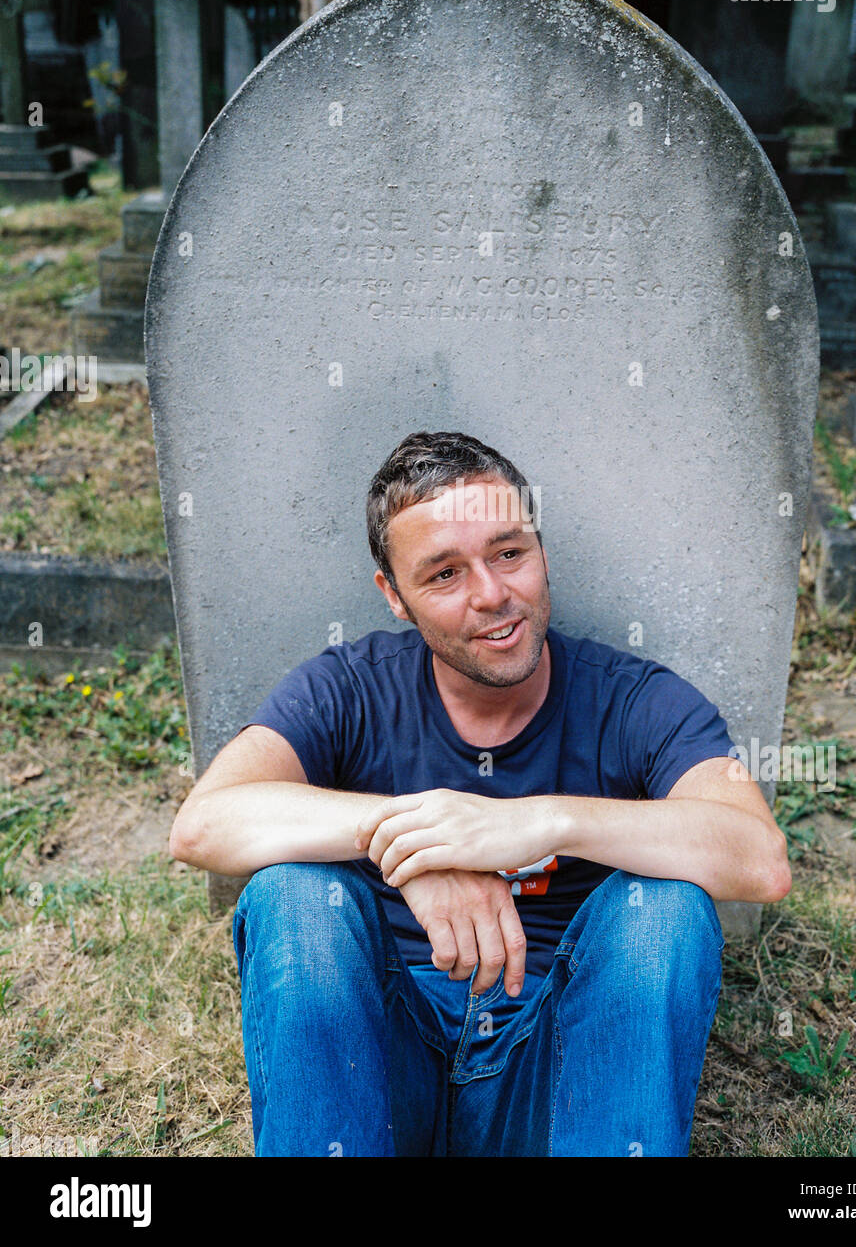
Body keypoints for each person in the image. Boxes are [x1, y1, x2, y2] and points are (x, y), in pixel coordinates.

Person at [169, 430, 790, 1157]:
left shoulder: (636, 701)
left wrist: (541, 822)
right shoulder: (348, 688)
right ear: (393, 597)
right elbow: (202, 825)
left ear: (539, 546)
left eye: (508, 552)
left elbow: (759, 859)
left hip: (561, 1069)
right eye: (443, 575)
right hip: (382, 1065)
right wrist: (416, 845)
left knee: (666, 907)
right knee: (293, 893)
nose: (492, 595)